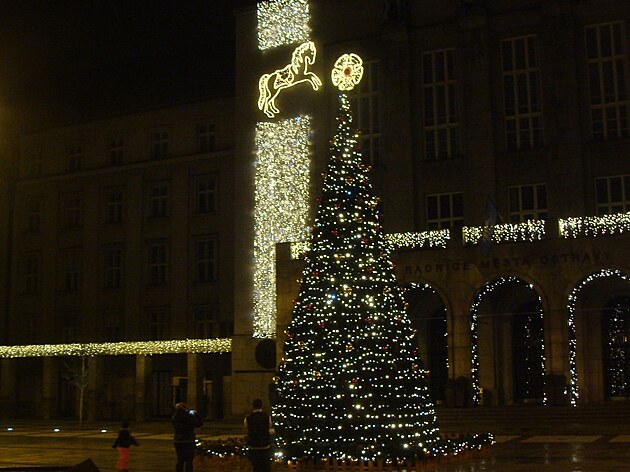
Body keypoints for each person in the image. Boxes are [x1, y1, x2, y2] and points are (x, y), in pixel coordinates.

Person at [172, 402, 203, 472]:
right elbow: (199, 423)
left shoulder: (175, 416)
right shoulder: (188, 417)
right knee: (189, 460)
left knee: (180, 459)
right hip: (188, 440)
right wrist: (196, 415)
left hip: (178, 440)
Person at [244, 398, 273, 472]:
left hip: (253, 445)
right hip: (265, 445)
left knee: (256, 466)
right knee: (265, 466)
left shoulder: (248, 418)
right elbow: (269, 427)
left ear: (253, 406)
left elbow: (246, 427)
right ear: (261, 406)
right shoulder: (267, 417)